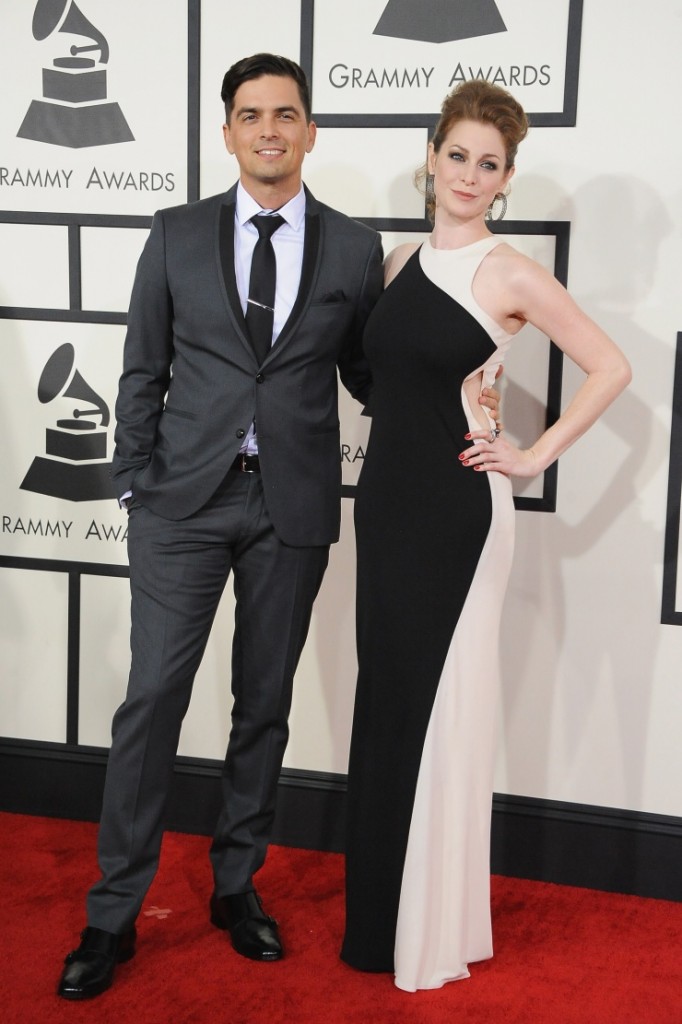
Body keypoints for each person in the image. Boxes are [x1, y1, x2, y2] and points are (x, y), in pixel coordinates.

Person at [56, 51, 503, 1001]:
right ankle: (112, 912)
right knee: (152, 703)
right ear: (228, 132)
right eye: (250, 114)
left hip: (290, 507)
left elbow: (373, 372)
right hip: (179, 505)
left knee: (263, 707)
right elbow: (140, 370)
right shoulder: (173, 234)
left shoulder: (352, 247)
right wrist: (134, 483)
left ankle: (235, 884)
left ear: (309, 131)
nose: (269, 129)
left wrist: (463, 400)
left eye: (285, 114)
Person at [340, 79, 631, 992]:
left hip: (459, 520)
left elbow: (610, 365)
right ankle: (377, 927)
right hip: (386, 508)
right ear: (432, 157)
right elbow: (381, 385)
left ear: (506, 179)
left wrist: (532, 450)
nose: (469, 174)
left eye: (489, 163)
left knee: (441, 714)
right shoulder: (392, 264)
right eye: (457, 155)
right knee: (386, 707)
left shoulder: (509, 271)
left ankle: (430, 933)